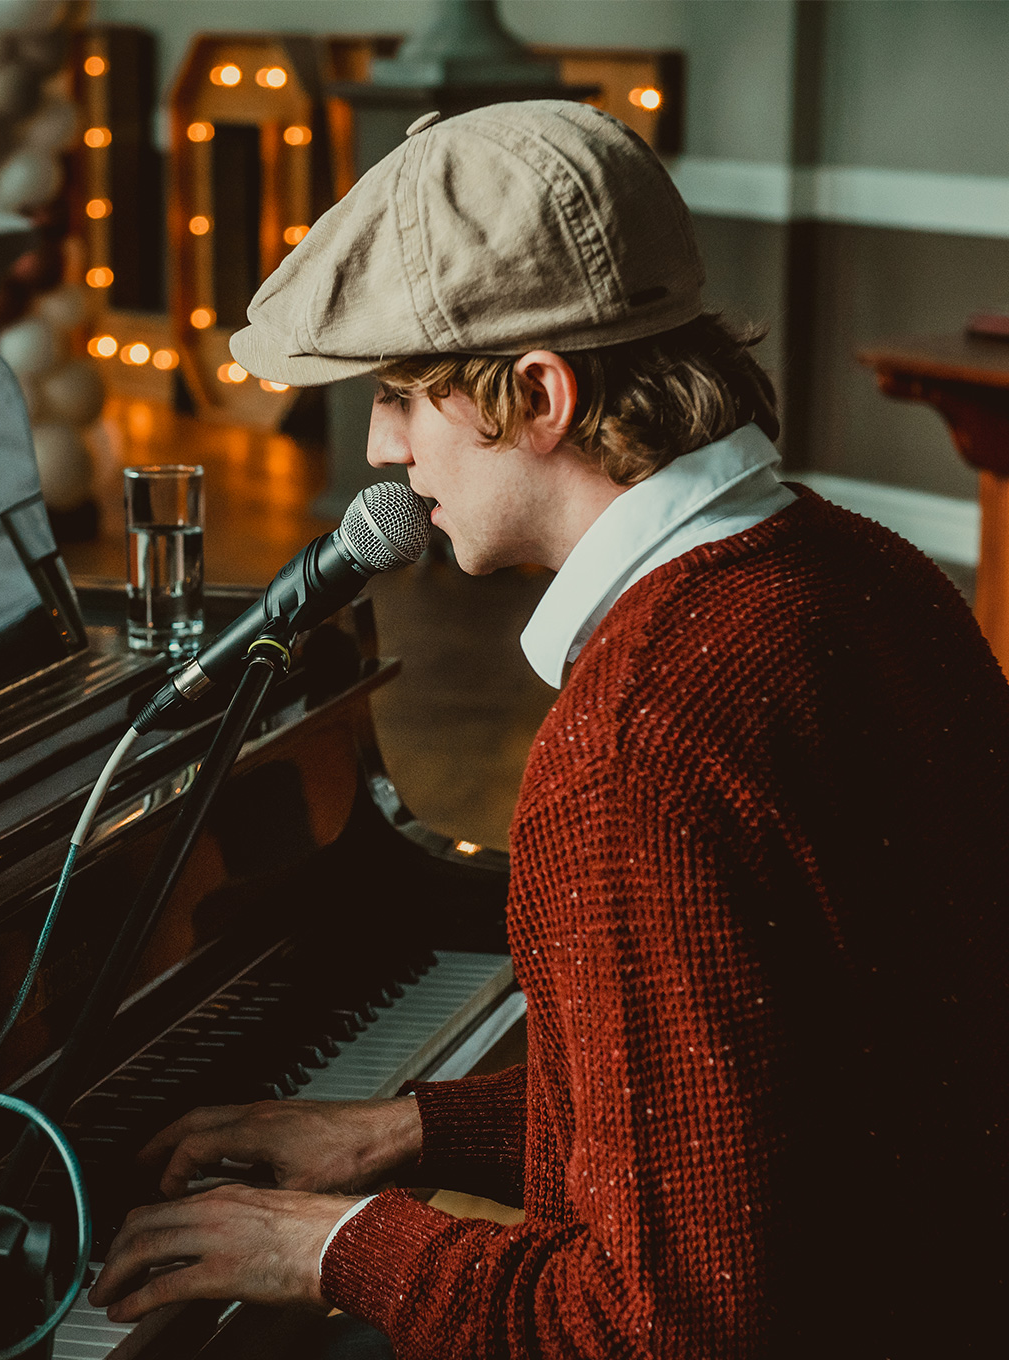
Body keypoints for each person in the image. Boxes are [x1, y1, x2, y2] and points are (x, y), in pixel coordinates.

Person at [86, 101, 1009, 1356]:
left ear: (536, 394)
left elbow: (663, 1329)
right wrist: (410, 1133)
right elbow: (763, 1097)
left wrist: (333, 1246)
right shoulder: (867, 569)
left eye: (406, 394)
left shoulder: (636, 747)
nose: (381, 444)